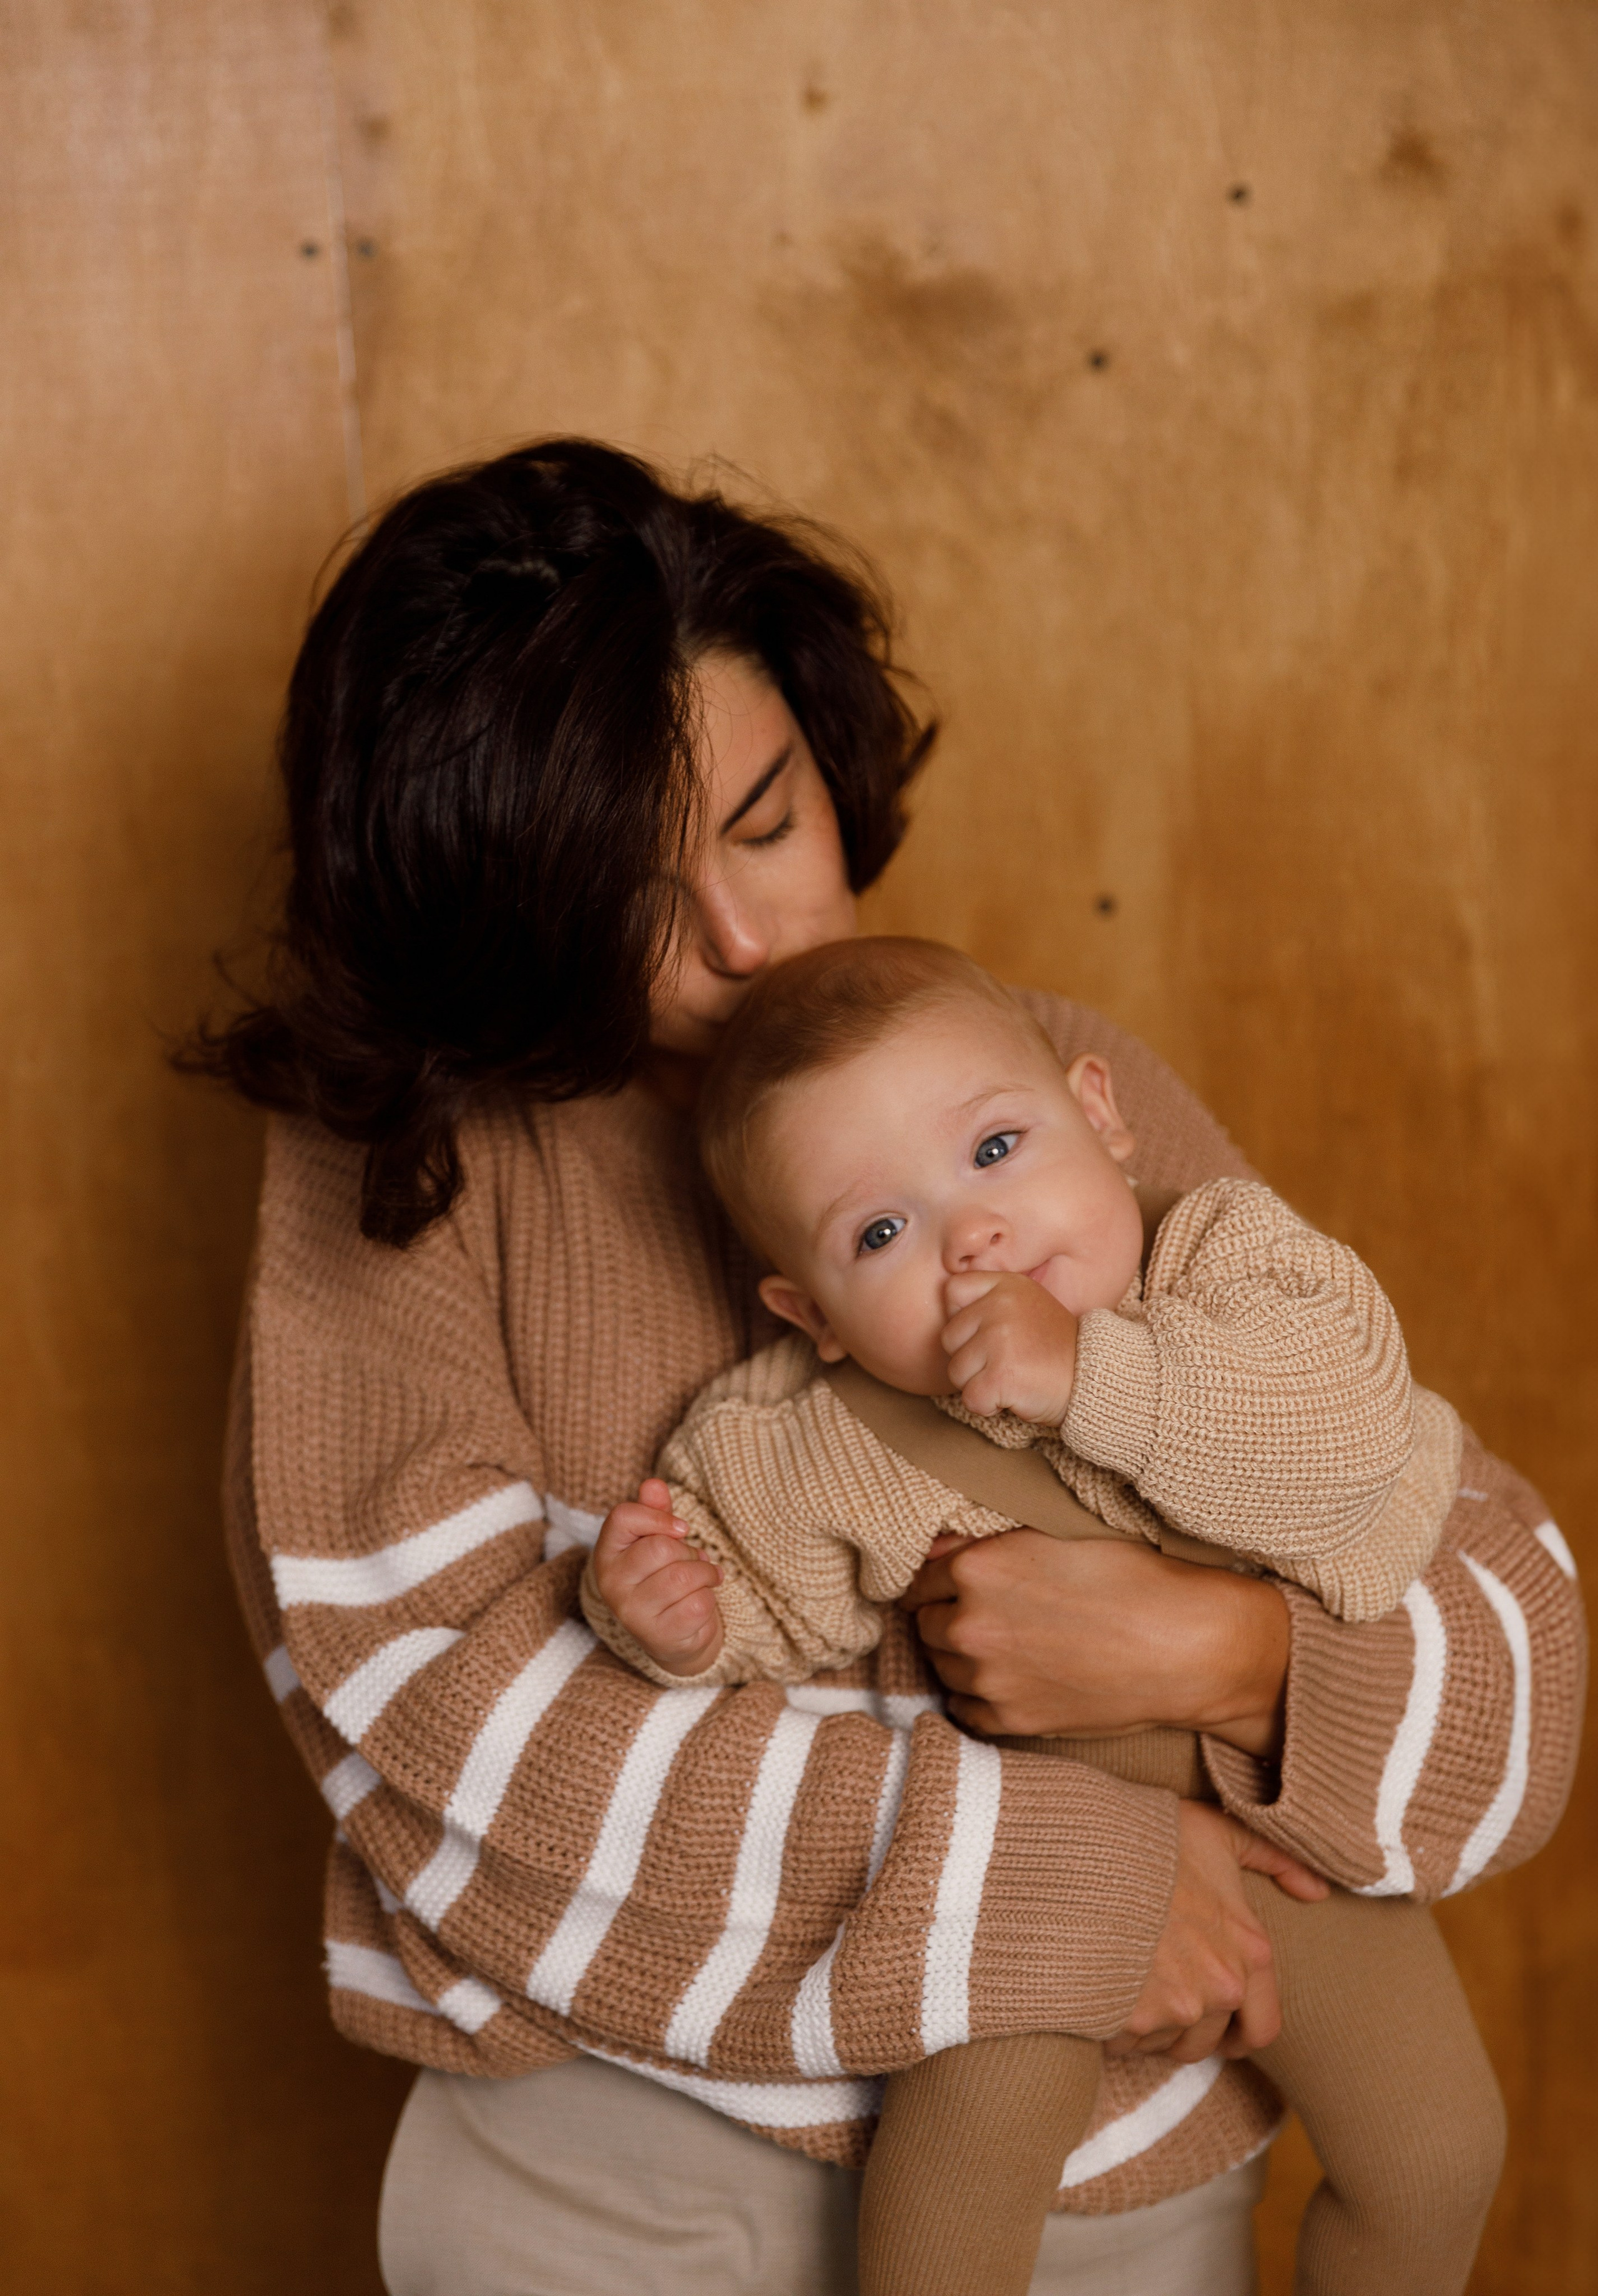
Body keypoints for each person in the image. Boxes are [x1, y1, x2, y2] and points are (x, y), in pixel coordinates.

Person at [192, 439, 1584, 2296]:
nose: (750, 942)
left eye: (769, 820)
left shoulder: (1029, 1078)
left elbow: (1505, 1636)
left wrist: (1236, 1660)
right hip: (622, 2211)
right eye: (631, 894)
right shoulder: (414, 1172)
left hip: (1140, 2199)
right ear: (495, 889)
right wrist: (1072, 1878)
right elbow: (437, 1723)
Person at [582, 933, 1506, 2296]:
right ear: (813, 1312)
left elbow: (1345, 1440)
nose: (973, 1236)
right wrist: (672, 1615)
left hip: (1282, 1817)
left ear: (1100, 1113)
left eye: (997, 1148)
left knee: (1436, 2153)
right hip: (1038, 1865)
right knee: (961, 2168)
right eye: (879, 1233)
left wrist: (1093, 1374)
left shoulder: (1231, 1262)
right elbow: (754, 1582)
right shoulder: (828, 1429)